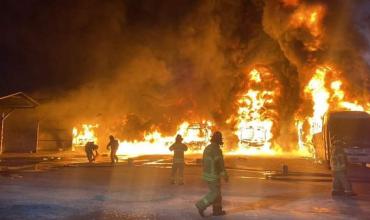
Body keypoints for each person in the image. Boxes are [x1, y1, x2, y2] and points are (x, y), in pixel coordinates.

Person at [195, 131, 228, 217]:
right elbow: (220, 164)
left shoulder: (207, 148)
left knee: (217, 193)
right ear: (219, 140)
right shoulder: (217, 150)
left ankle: (217, 210)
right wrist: (225, 175)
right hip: (213, 175)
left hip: (207, 174)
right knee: (215, 193)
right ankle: (201, 205)